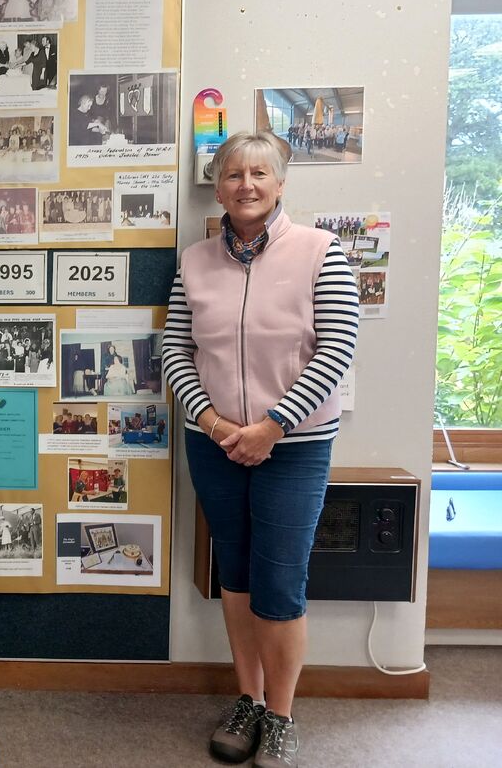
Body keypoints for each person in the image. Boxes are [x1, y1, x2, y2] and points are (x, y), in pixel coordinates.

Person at [162, 131, 358, 767]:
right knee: (239, 576)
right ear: (216, 186)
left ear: (280, 183)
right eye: (233, 174)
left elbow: (336, 350)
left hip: (293, 447)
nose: (246, 185)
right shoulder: (193, 261)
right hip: (213, 443)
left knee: (280, 581)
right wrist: (216, 424)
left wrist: (272, 425)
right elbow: (174, 352)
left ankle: (281, 715)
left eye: (259, 173)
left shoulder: (322, 252)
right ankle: (247, 699)